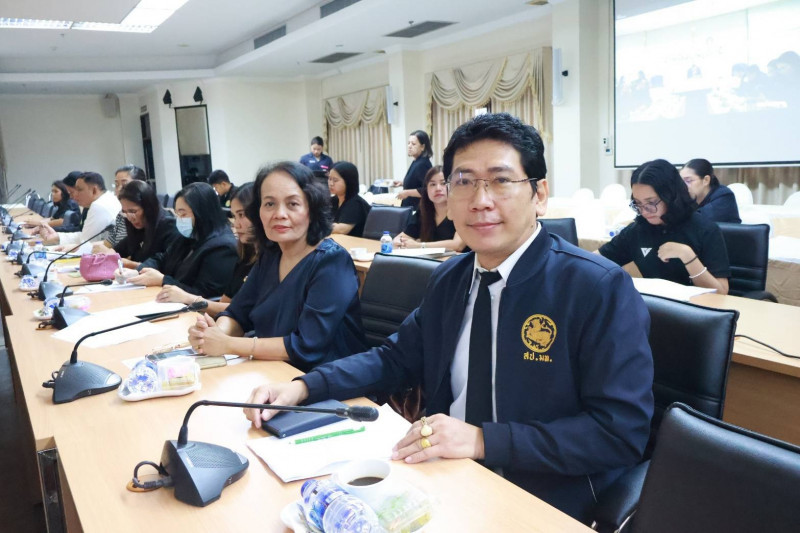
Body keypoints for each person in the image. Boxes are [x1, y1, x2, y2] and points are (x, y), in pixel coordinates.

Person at [244, 113, 654, 523]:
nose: (481, 200)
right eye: (464, 181)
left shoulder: (596, 288)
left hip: (542, 494)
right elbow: (393, 359)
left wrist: (482, 440)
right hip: (444, 478)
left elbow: (619, 432)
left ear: (539, 194)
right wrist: (303, 387)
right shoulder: (451, 278)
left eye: (501, 180)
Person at [187, 162, 366, 372]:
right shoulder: (271, 255)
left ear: (312, 209)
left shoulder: (332, 262)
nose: (279, 214)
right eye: (270, 204)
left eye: (293, 204)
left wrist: (228, 344)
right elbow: (237, 313)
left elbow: (306, 345)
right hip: (273, 369)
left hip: (328, 377)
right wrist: (213, 334)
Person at [599, 159, 730, 294]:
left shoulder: (705, 229)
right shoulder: (637, 230)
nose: (644, 211)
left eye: (651, 202)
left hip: (695, 306)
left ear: (671, 196)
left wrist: (687, 255)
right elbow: (594, 261)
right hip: (657, 305)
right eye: (638, 203)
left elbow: (721, 293)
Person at [156, 183, 257, 316]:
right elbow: (228, 307)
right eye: (234, 216)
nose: (236, 224)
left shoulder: (224, 247)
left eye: (242, 215)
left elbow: (239, 310)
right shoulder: (245, 254)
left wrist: (165, 281)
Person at [124, 182, 237, 298]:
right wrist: (138, 271)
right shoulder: (190, 234)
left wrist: (162, 280)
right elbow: (162, 258)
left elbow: (204, 295)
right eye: (177, 214)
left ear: (202, 213)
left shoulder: (223, 248)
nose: (179, 220)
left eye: (183, 214)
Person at [38, 172, 121, 249]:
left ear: (94, 190)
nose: (74, 195)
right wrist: (58, 236)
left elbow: (85, 242)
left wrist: (65, 244)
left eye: (79, 190)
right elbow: (85, 236)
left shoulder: (99, 206)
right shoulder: (106, 198)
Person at [393, 165, 466, 252]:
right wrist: (400, 242)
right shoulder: (424, 211)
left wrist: (420, 245)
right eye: (433, 184)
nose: (438, 188)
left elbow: (457, 245)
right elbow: (401, 238)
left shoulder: (462, 210)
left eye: (443, 183)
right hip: (431, 260)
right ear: (426, 190)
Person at [113, 180, 180, 270]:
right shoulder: (139, 227)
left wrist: (132, 265)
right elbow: (120, 249)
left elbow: (165, 264)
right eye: (125, 212)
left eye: (133, 211)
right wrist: (110, 253)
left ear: (148, 208)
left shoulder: (169, 226)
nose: (129, 218)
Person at [92, 164, 147, 253]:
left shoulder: (140, 218)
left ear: (140, 185)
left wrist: (110, 254)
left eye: (124, 184)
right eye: (117, 185)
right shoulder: (121, 214)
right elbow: (109, 244)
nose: (119, 189)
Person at [679, 158, 741, 223]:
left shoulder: (724, 196)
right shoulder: (687, 198)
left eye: (688, 181)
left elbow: (697, 220)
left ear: (706, 180)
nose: (683, 186)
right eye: (681, 182)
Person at [328, 161, 371, 237]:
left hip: (357, 243)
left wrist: (317, 226)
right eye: (329, 179)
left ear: (348, 181)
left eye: (335, 180)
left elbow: (342, 229)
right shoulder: (333, 200)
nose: (331, 184)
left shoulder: (355, 203)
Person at [395, 130, 433, 210]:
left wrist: (407, 192)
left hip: (418, 209)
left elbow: (427, 189)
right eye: (408, 143)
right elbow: (417, 183)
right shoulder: (416, 161)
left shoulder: (422, 164)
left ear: (422, 147)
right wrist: (403, 183)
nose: (409, 146)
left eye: (413, 144)